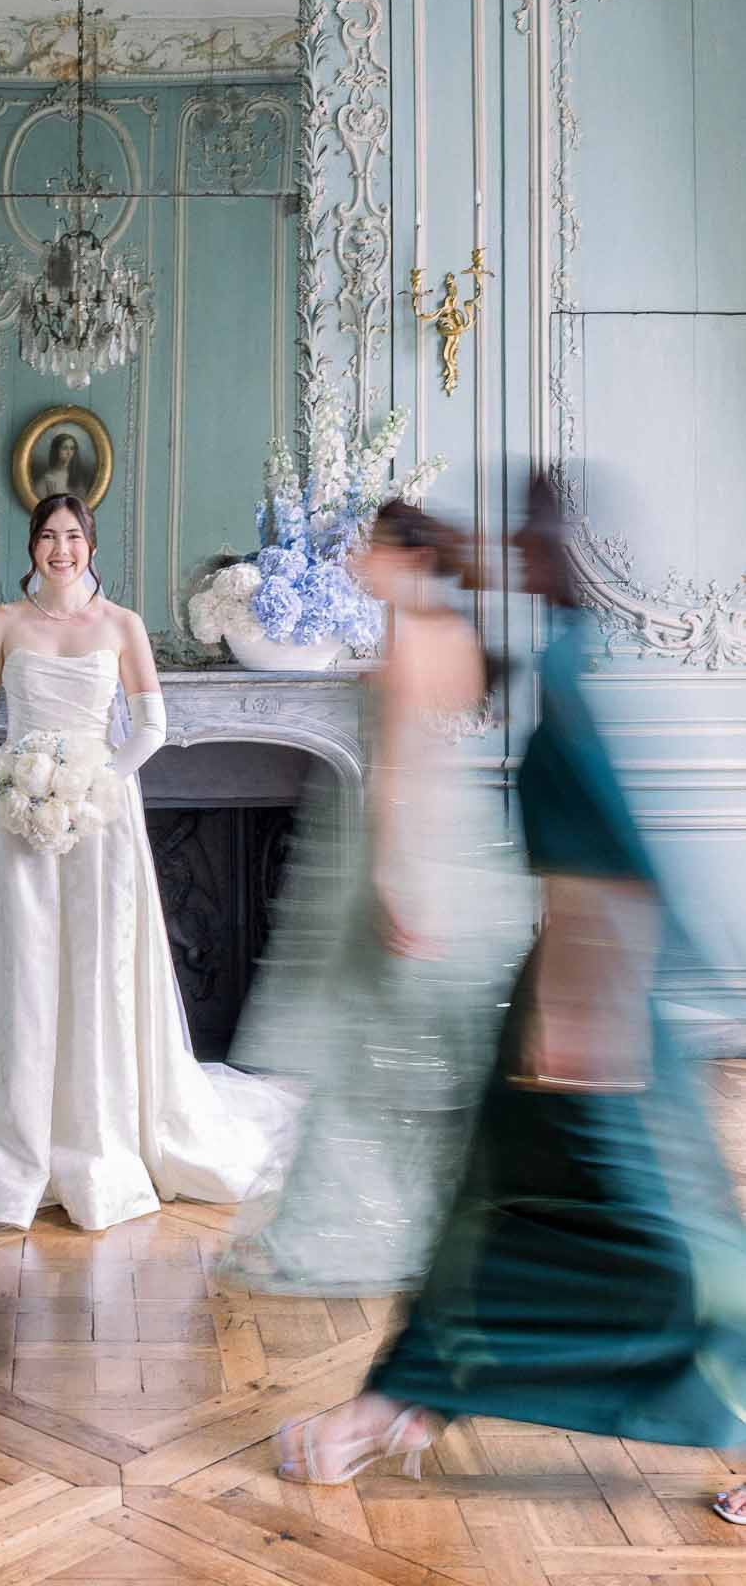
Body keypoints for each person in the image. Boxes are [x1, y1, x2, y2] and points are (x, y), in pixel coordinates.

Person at [277, 475, 746, 1487]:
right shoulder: (556, 664)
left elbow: (621, 868)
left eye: (535, 535)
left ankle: (409, 1399)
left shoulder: (579, 679)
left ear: (567, 552)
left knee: (663, 1234)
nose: (520, 552)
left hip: (598, 1013)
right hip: (555, 999)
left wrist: (586, 1017)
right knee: (491, 1213)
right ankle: (402, 1397)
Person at [0, 494, 293, 1232]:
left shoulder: (121, 625)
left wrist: (100, 782)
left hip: (102, 815)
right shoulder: (3, 623)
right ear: (32, 545)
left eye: (72, 536)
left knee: (99, 960)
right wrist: (7, 777)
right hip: (13, 810)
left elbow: (153, 724)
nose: (60, 548)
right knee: (24, 961)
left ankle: (99, 1129)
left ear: (91, 544)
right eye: (47, 536)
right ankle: (15, 1131)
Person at [225, 500, 532, 1296]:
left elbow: (399, 777)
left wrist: (395, 886)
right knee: (434, 1060)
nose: (358, 559)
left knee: (367, 1062)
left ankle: (371, 1229)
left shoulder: (406, 644)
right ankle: (463, 1214)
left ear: (404, 556)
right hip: (469, 849)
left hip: (409, 859)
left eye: (369, 547)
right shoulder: (457, 636)